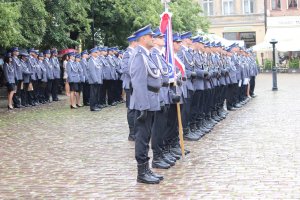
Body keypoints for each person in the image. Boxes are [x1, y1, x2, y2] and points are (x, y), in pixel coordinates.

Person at [129, 25, 163, 184]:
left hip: (151, 101)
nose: (153, 38)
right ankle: (141, 173)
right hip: (144, 104)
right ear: (143, 39)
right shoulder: (138, 55)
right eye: (150, 36)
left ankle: (146, 169)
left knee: (147, 136)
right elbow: (138, 82)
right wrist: (142, 106)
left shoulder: (147, 55)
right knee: (142, 138)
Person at [120, 34, 138, 141]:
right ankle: (132, 133)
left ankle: (136, 130)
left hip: (135, 84)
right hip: (130, 84)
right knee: (131, 108)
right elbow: (125, 69)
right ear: (134, 42)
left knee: (135, 108)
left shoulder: (134, 52)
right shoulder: (128, 53)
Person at [87, 47, 102, 111]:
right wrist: (95, 80)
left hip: (98, 79)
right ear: (92, 53)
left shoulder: (97, 60)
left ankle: (96, 105)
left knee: (97, 94)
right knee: (93, 94)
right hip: (94, 80)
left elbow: (99, 70)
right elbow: (92, 71)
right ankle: (92, 107)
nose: (97, 53)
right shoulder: (91, 61)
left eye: (97, 52)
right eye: (95, 52)